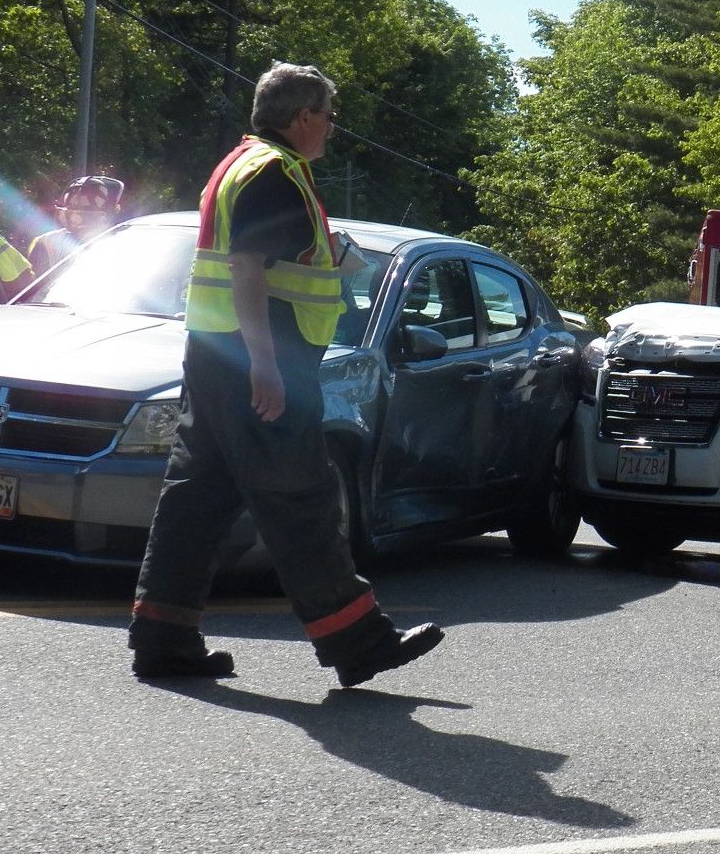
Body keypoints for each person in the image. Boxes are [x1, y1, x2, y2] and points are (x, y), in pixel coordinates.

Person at [128, 61, 443, 685]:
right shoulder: (275, 173)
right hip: (258, 363)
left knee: (197, 497)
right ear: (301, 118)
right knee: (301, 497)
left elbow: (265, 262)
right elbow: (247, 268)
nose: (331, 128)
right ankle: (358, 642)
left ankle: (163, 638)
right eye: (327, 115)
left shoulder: (242, 163)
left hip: (218, 355)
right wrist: (266, 366)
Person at [25, 175, 124, 275]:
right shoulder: (46, 242)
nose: (76, 216)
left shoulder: (46, 240)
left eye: (85, 209)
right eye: (72, 208)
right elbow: (34, 286)